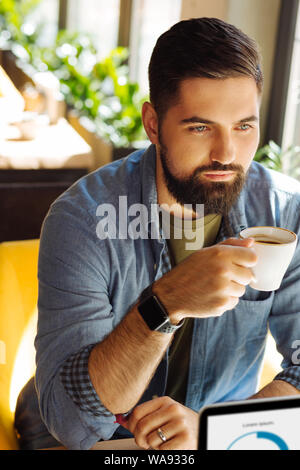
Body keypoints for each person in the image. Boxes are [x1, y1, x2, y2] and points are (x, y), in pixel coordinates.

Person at [33, 17, 300, 450]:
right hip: (108, 441)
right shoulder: (83, 219)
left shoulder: (284, 210)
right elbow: (72, 421)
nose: (226, 154)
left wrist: (215, 429)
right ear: (153, 124)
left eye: (243, 127)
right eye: (200, 127)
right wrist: (165, 304)